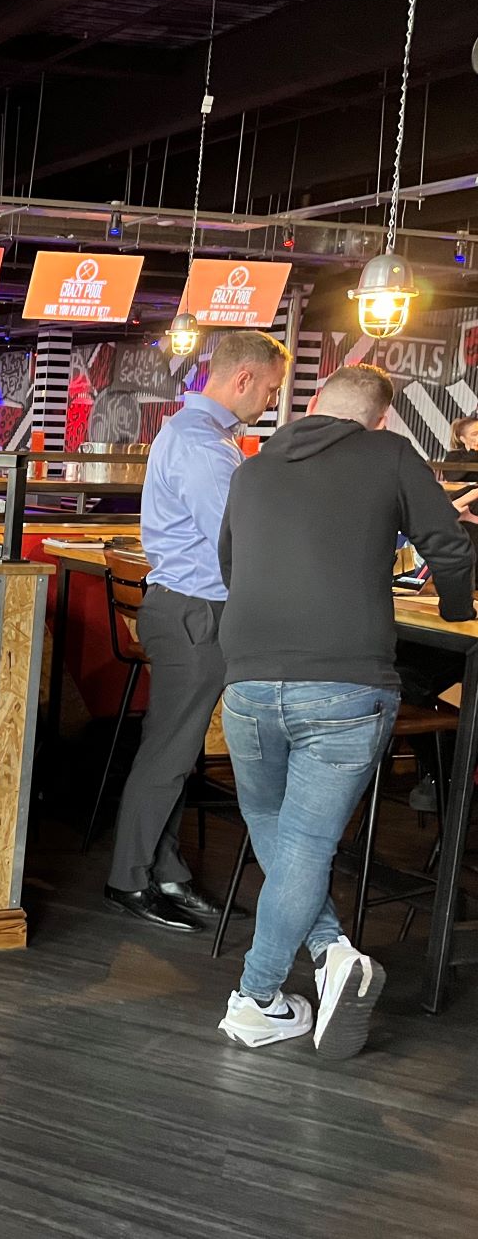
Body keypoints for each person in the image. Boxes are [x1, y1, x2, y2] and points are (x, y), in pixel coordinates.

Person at [214, 365, 474, 1055]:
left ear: (313, 406)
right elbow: (448, 544)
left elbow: (230, 568)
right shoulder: (388, 454)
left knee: (275, 828)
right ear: (381, 419)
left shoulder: (252, 469)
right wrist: (458, 609)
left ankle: (332, 957)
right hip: (345, 680)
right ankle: (256, 998)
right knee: (302, 844)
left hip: (245, 680)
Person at [105, 330, 290, 931]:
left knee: (176, 753)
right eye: (268, 389)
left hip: (188, 608)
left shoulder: (199, 435)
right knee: (169, 754)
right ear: (242, 379)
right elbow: (238, 540)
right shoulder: (204, 446)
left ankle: (166, 871)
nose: (269, 400)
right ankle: (128, 879)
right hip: (194, 612)